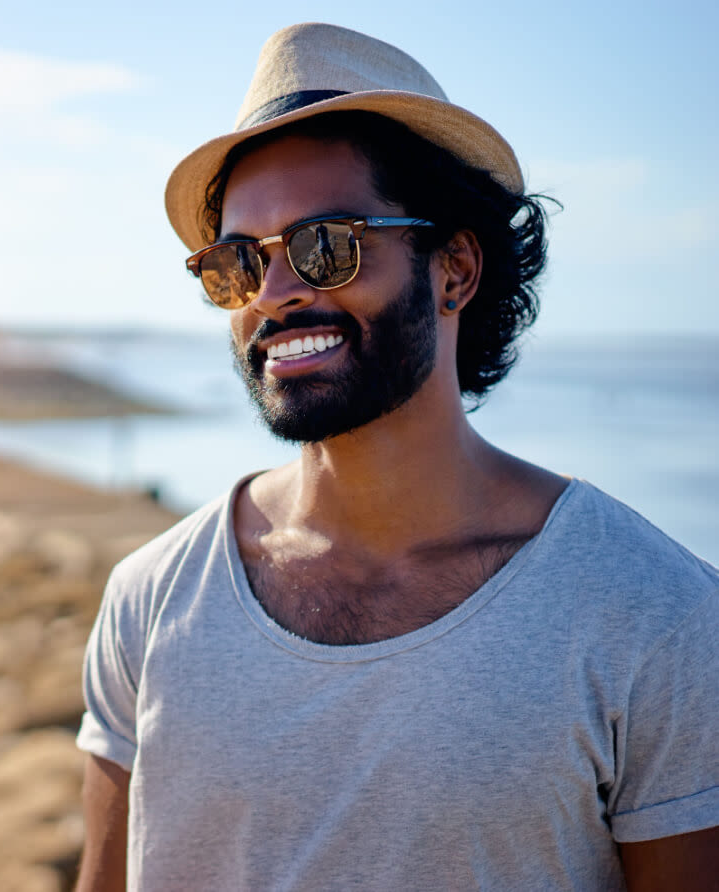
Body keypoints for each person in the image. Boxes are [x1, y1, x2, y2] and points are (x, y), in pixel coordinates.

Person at [75, 22, 718, 892]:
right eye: (236, 264)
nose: (274, 294)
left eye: (327, 245)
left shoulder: (656, 616)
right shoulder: (152, 600)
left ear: (453, 269)